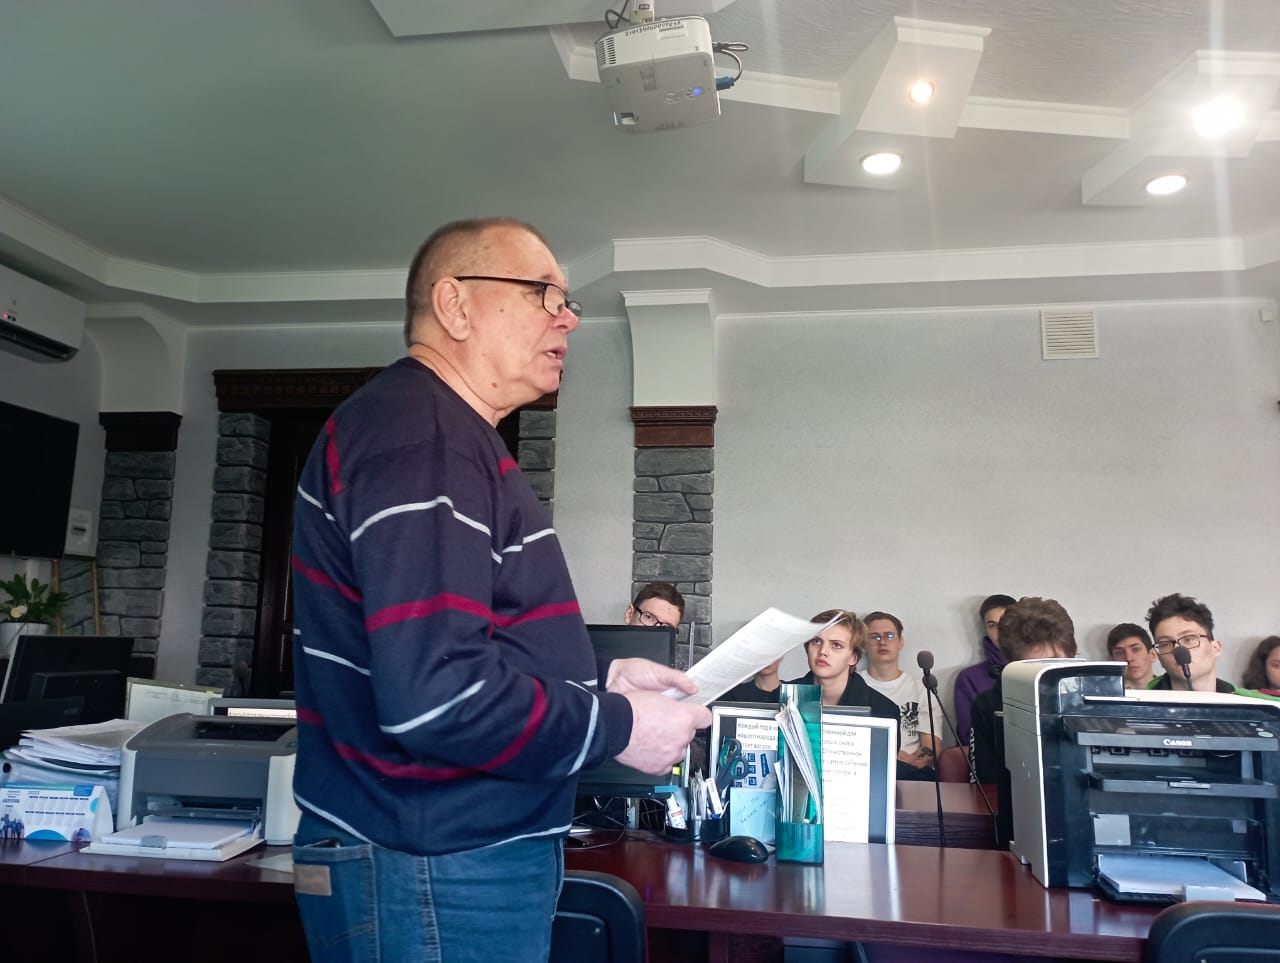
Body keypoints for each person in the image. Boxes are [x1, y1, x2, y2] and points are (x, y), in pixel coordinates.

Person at [289, 218, 712, 963]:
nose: (568, 317)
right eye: (544, 292)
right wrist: (617, 725)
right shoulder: (425, 436)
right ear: (455, 306)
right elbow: (437, 696)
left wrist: (596, 678)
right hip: (434, 864)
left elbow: (457, 650)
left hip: (441, 862)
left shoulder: (441, 434)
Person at [720, 610, 900, 725]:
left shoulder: (883, 710)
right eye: (816, 641)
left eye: (836, 645)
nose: (823, 651)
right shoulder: (778, 698)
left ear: (853, 657)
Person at [970, 597, 1077, 787]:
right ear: (1012, 663)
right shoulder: (987, 704)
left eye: (1055, 664)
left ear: (1071, 655)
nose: (1047, 679)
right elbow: (986, 780)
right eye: (1036, 668)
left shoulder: (1091, 698)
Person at [861, 611, 941, 779]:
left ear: (900, 642)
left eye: (889, 636)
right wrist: (888, 756)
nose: (882, 642)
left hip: (912, 771)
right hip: (866, 767)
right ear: (863, 644)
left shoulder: (921, 688)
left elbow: (932, 744)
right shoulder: (853, 685)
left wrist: (910, 762)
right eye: (874, 637)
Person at [953, 594, 1016, 747]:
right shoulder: (969, 679)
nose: (1000, 631)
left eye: (1006, 622)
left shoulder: (1040, 673)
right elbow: (968, 738)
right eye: (992, 625)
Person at [1106, 622, 1158, 689]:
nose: (1128, 658)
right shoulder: (1104, 693)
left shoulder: (1170, 688)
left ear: (1152, 655)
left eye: (1136, 649)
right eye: (1120, 653)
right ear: (1112, 661)